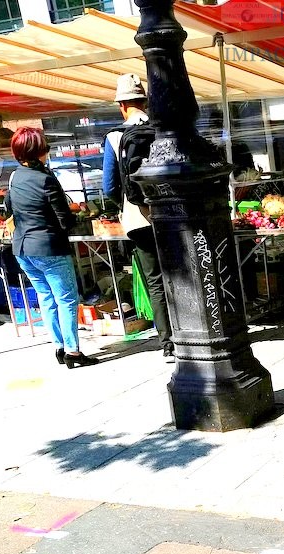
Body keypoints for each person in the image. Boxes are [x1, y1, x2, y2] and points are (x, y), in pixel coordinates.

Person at [5, 127, 98, 369]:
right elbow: (64, 219)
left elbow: (10, 208)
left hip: (22, 249)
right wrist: (80, 214)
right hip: (49, 248)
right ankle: (73, 352)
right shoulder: (46, 179)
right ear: (39, 152)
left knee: (46, 298)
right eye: (45, 148)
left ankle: (59, 346)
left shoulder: (14, 177)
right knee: (66, 299)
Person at [103, 73, 174, 363]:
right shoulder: (162, 129)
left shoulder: (114, 136)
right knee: (179, 275)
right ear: (144, 101)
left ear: (122, 105)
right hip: (171, 215)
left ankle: (168, 344)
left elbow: (109, 186)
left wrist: (122, 205)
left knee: (155, 281)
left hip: (138, 219)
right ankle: (191, 331)